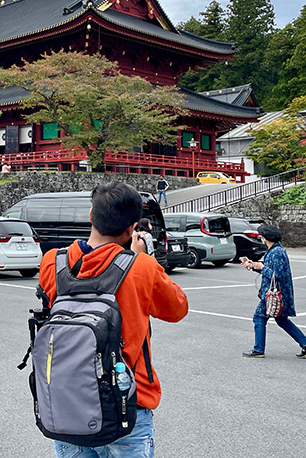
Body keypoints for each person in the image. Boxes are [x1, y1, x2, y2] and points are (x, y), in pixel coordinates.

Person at [38, 182, 189, 458]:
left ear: (91, 216)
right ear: (132, 228)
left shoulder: (52, 262)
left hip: (68, 403)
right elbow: (177, 309)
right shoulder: (141, 267)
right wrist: (141, 258)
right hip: (128, 404)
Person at [240, 224, 306, 359]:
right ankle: (305, 344)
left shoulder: (276, 252)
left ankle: (258, 349)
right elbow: (268, 269)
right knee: (281, 319)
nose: (260, 238)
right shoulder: (275, 250)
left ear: (265, 238)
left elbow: (277, 275)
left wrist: (262, 268)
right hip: (278, 293)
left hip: (273, 294)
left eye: (261, 236)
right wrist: (253, 266)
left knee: (259, 317)